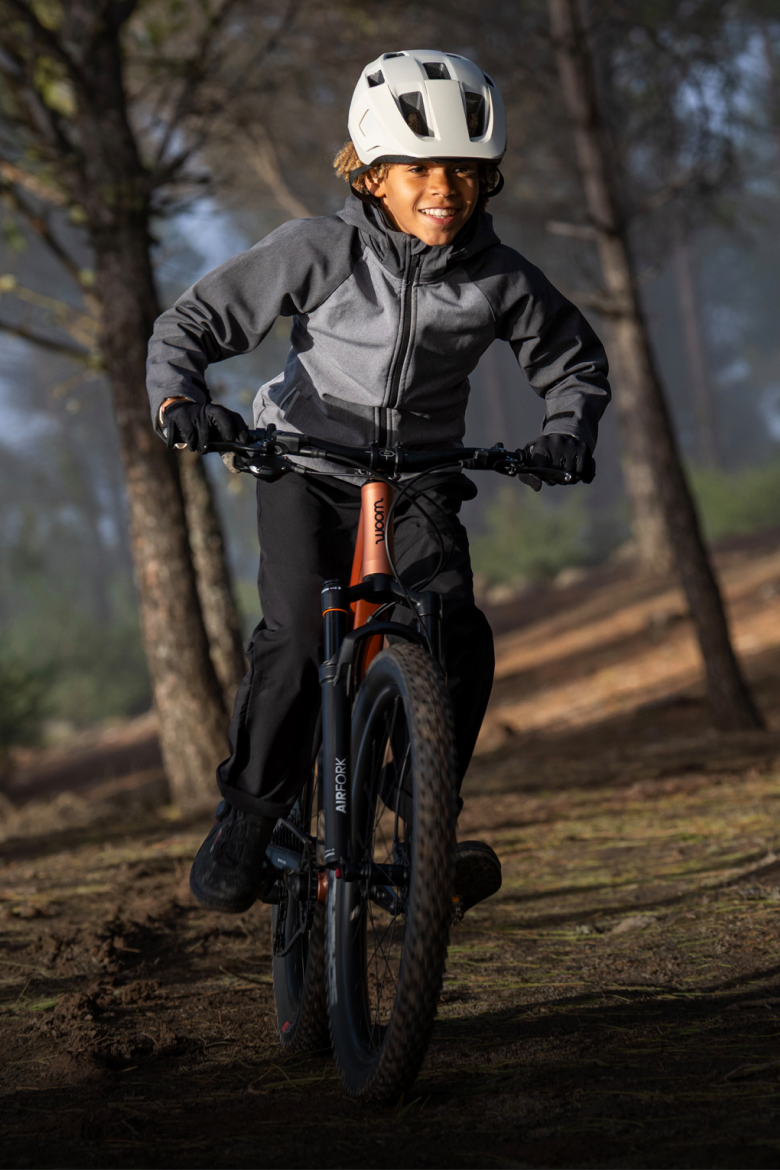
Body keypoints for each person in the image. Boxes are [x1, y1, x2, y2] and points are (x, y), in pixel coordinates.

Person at [146, 49, 611, 918]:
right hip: (303, 467)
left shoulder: (499, 278)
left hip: (421, 480)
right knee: (291, 640)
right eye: (420, 168)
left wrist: (565, 432)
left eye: (466, 170)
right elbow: (195, 322)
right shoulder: (318, 249)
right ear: (369, 175)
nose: (445, 187)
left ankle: (419, 804)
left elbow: (573, 363)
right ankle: (246, 817)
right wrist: (181, 398)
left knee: (457, 630)